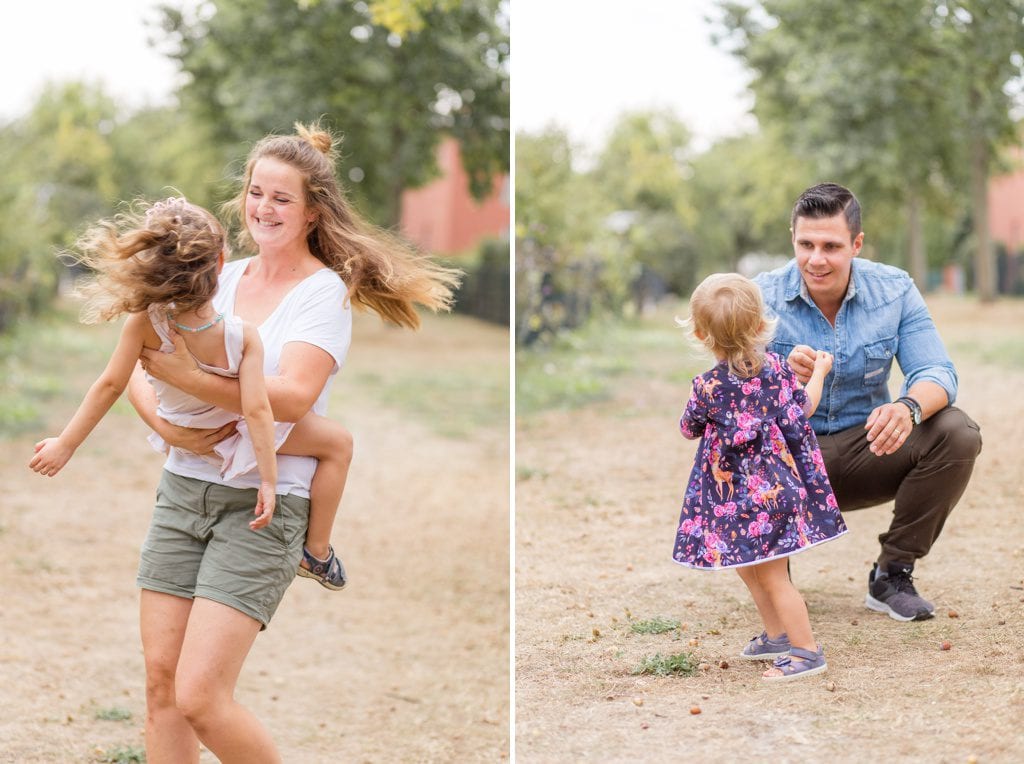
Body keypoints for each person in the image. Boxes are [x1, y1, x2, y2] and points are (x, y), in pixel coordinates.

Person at [125, 124, 459, 762]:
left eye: (282, 198)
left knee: (200, 697)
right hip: (183, 490)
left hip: (261, 510)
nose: (264, 209)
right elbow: (138, 361)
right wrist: (169, 426)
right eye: (256, 192)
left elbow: (293, 396)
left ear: (312, 210)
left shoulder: (322, 293)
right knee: (161, 688)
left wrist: (189, 379)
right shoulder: (215, 276)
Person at [754, 182, 983, 623]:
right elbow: (726, 394)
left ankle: (891, 574)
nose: (816, 259)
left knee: (957, 432)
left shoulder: (894, 290)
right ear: (792, 238)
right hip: (788, 462)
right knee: (737, 442)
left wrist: (907, 408)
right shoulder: (758, 297)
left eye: (831, 246)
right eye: (806, 244)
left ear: (856, 244)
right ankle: (774, 580)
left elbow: (938, 372)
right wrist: (777, 378)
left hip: (869, 452)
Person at [28, 199, 279, 537]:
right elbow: (258, 409)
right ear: (220, 263)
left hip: (178, 435)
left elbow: (110, 385)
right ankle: (317, 549)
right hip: (231, 443)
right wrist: (268, 480)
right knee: (334, 444)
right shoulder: (245, 336)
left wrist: (66, 444)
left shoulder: (146, 322)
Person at [672, 273, 847, 682]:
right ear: (758, 325)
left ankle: (806, 652)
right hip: (760, 495)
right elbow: (803, 409)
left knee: (770, 573)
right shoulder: (776, 374)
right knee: (749, 566)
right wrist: (818, 371)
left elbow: (687, 428)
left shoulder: (708, 388)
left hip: (753, 498)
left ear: (700, 333)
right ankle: (777, 636)